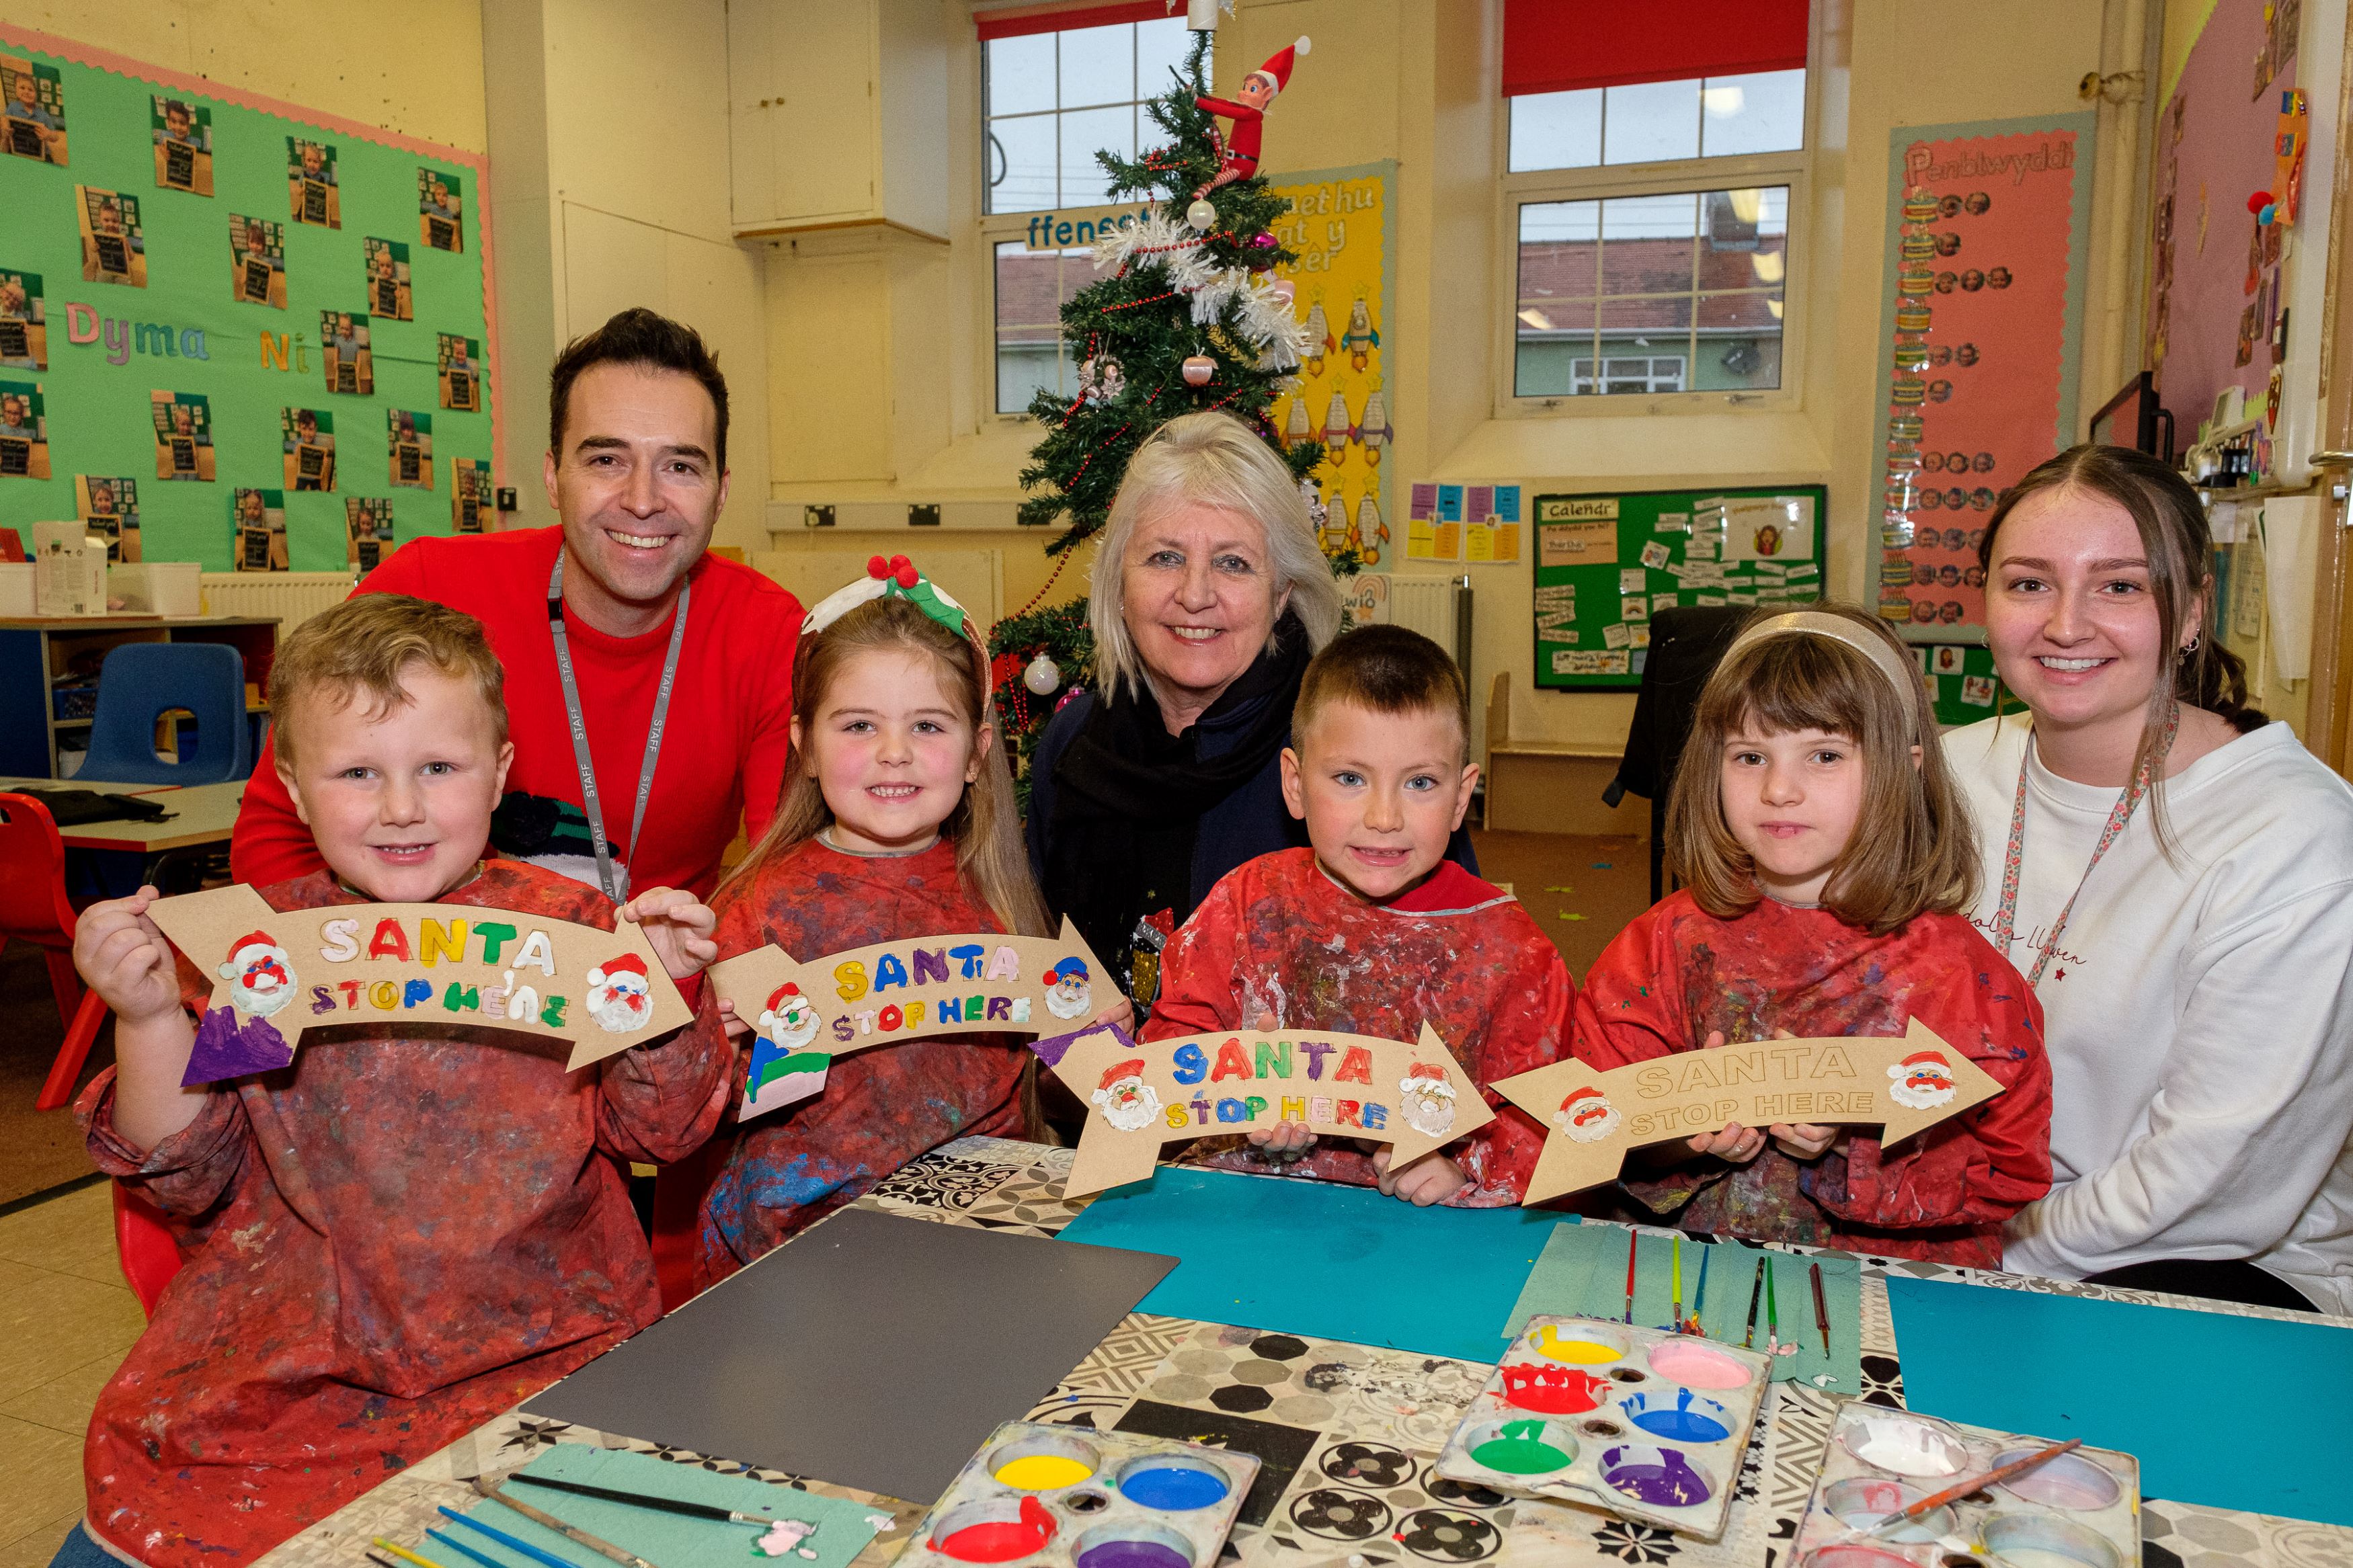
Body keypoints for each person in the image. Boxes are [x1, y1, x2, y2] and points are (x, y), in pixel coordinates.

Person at [63, 595, 732, 1568]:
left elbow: (665, 1130)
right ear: (294, 788)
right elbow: (184, 1177)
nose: (401, 807)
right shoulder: (262, 950)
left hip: (543, 1347)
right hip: (282, 1367)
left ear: (498, 771)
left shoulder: (576, 929)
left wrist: (662, 990)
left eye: (439, 768)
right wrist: (150, 1016)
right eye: (357, 773)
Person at [1950, 445, 2353, 1313]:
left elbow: (2211, 1182)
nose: (2066, 624)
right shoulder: (1942, 775)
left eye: (2119, 586)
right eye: (2029, 583)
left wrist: (1980, 1258)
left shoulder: (2292, 837)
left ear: (2192, 611)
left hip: (2198, 1260)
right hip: (1949, 1219)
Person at [231, 307, 804, 903]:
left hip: (662, 956)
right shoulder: (424, 588)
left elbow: (786, 879)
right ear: (553, 477)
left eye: (680, 466)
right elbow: (274, 838)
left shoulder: (769, 633)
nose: (642, 501)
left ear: (721, 493)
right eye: (606, 460)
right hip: (433, 953)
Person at [1574, 607, 2051, 1265]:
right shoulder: (1661, 946)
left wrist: (1849, 1145)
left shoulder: (1956, 976)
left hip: (1893, 1291)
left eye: (1824, 755)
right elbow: (1590, 1122)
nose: (1778, 788)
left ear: (1904, 767)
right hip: (1689, 1279)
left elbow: (2009, 1166)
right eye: (1750, 756)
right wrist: (1680, 1135)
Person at [1027, 411, 1472, 1013]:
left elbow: (1455, 974)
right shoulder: (1074, 742)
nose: (1195, 594)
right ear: (1119, 584)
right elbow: (1033, 952)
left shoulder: (1345, 749)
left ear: (1281, 593)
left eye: (1233, 563)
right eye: (1164, 557)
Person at [696, 559, 1064, 1285]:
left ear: (976, 753)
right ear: (804, 745)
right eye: (860, 724)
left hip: (983, 1251)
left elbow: (1072, 1088)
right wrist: (708, 1050)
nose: (894, 752)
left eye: (927, 725)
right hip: (792, 1265)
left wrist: (1098, 1039)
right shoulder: (755, 909)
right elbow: (689, 1116)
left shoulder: (999, 905)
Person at [1142, 626, 1569, 1207]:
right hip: (1239, 1204)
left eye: (1420, 782)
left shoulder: (1512, 950)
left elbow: (1549, 1121)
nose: (1384, 816)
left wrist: (1463, 1169)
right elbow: (1170, 1045)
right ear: (1295, 784)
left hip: (1418, 1230)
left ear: (1460, 797)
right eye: (1350, 778)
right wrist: (1230, 1083)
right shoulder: (1247, 903)